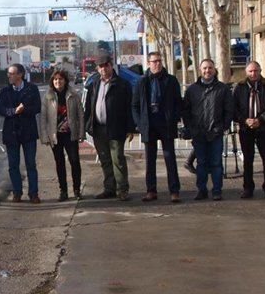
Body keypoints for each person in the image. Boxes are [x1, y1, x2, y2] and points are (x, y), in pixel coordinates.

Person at [132, 50, 183, 202]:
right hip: (149, 124)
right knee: (150, 160)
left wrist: (174, 118)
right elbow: (135, 105)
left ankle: (174, 191)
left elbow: (178, 102)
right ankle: (151, 190)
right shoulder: (142, 82)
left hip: (165, 123)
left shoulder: (171, 80)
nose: (158, 64)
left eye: (160, 61)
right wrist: (139, 123)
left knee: (169, 158)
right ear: (149, 63)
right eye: (155, 61)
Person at [181, 58, 234, 200]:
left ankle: (217, 190)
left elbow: (229, 110)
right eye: (204, 68)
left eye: (210, 68)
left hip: (216, 132)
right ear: (200, 70)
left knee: (216, 163)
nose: (207, 71)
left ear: (214, 70)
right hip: (198, 133)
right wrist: (190, 127)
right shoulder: (192, 89)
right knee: (201, 163)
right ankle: (201, 190)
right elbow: (186, 110)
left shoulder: (222, 89)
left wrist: (223, 127)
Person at [83, 56, 135, 200]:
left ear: (111, 66)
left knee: (117, 159)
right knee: (105, 160)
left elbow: (129, 107)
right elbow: (88, 107)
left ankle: (122, 189)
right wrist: (87, 125)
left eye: (106, 65)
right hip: (98, 128)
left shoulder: (122, 84)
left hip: (116, 128)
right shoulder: (94, 84)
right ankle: (109, 188)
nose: (103, 69)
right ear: (97, 69)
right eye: (100, 66)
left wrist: (131, 128)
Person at [232, 61, 265, 198]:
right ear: (246, 72)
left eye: (256, 71)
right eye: (250, 71)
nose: (253, 74)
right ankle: (248, 188)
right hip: (245, 128)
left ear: (260, 71)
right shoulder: (239, 87)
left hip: (263, 128)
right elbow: (234, 108)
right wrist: (244, 120)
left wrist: (261, 120)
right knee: (248, 160)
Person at [0, 63, 42, 202]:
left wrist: (24, 109)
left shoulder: (31, 89)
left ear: (20, 75)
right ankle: (17, 192)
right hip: (11, 132)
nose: (9, 76)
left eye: (12, 73)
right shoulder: (5, 91)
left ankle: (33, 193)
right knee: (13, 165)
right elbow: (0, 108)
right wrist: (13, 111)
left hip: (28, 131)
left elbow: (37, 107)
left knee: (31, 164)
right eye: (8, 73)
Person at [41, 68, 84, 201]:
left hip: (70, 134)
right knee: (59, 163)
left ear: (65, 81)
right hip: (55, 135)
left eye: (60, 79)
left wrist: (81, 132)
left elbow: (80, 114)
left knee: (74, 161)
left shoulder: (73, 95)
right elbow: (43, 117)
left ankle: (76, 190)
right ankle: (63, 191)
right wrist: (44, 136)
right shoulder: (48, 96)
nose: (58, 82)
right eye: (55, 79)